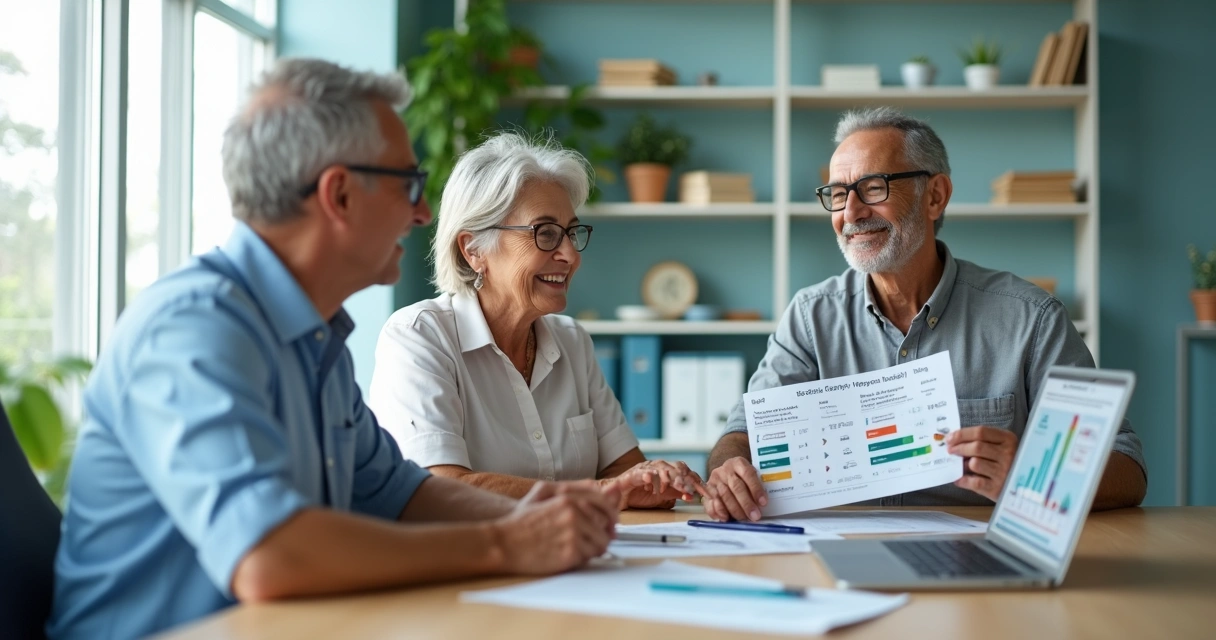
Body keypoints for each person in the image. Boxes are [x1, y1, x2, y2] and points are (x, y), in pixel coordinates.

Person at [48, 59, 620, 640]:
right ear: (340, 195)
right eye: (408, 185)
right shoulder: (193, 328)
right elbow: (272, 556)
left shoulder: (313, 338)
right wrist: (508, 542)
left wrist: (554, 515)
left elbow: (404, 495)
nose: (422, 214)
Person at [703, 107, 1147, 522]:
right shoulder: (809, 317)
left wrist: (1032, 474)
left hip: (978, 568)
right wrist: (729, 468)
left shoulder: (1031, 318)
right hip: (837, 556)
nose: (851, 213)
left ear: (935, 196)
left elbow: (1126, 468)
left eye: (873, 188)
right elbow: (742, 435)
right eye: (838, 195)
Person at [368, 132, 710, 510]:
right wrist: (600, 492)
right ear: (473, 250)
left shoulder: (572, 341)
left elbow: (625, 469)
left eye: (571, 232)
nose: (569, 255)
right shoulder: (419, 337)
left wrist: (654, 483)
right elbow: (440, 488)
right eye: (545, 233)